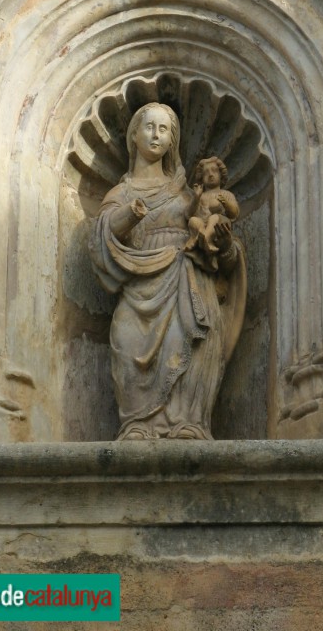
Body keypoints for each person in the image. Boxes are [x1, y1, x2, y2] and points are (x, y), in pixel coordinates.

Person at [89, 102, 246, 440]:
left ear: (173, 139)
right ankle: (136, 425)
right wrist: (131, 213)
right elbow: (102, 235)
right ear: (134, 135)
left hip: (188, 284)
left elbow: (227, 261)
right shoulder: (122, 192)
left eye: (163, 129)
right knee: (127, 338)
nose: (156, 135)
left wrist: (225, 243)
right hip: (140, 282)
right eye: (148, 127)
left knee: (188, 342)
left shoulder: (190, 193)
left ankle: (189, 423)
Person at [185, 156, 240, 265]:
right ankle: (202, 239)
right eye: (206, 173)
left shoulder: (226, 194)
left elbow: (234, 213)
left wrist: (226, 203)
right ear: (201, 178)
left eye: (214, 171)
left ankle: (205, 237)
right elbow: (188, 214)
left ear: (221, 175)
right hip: (203, 224)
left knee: (214, 218)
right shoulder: (200, 196)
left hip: (219, 226)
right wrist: (196, 197)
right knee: (193, 221)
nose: (210, 174)